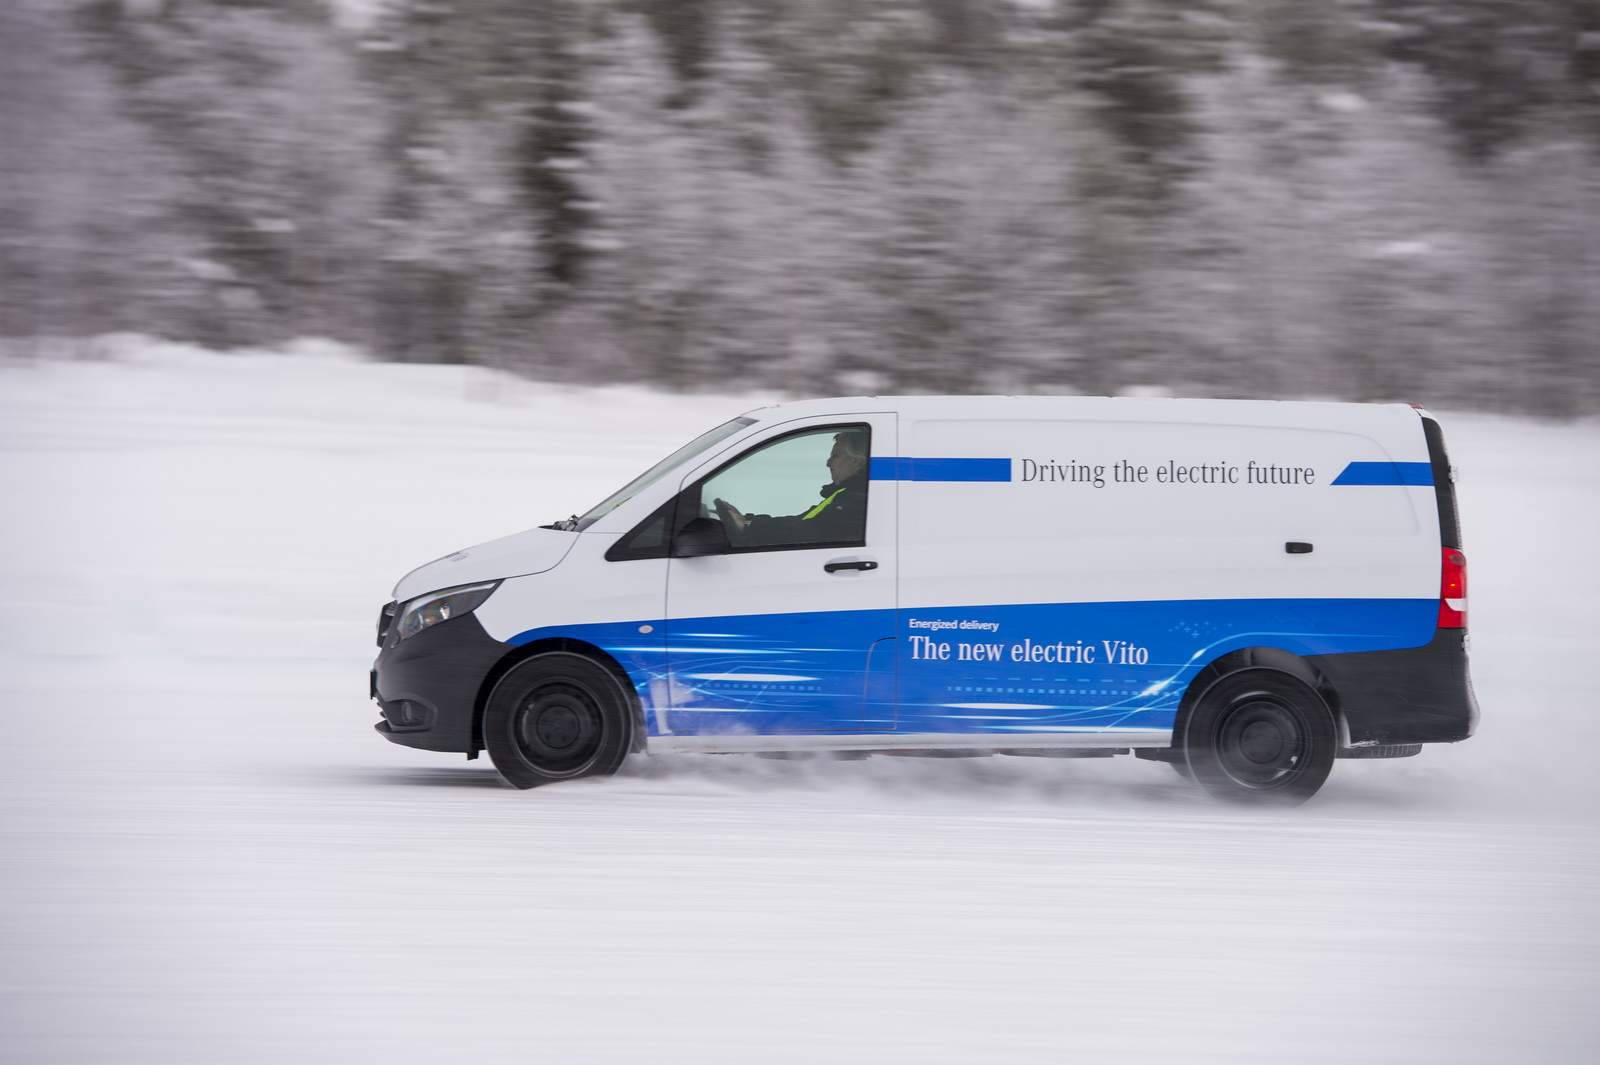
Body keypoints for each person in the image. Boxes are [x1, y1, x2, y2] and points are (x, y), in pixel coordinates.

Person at [715, 430, 869, 547]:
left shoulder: (855, 499)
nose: (828, 463)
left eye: (835, 455)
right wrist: (748, 520)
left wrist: (750, 527)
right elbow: (800, 522)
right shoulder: (844, 496)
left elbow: (809, 532)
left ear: (855, 460)